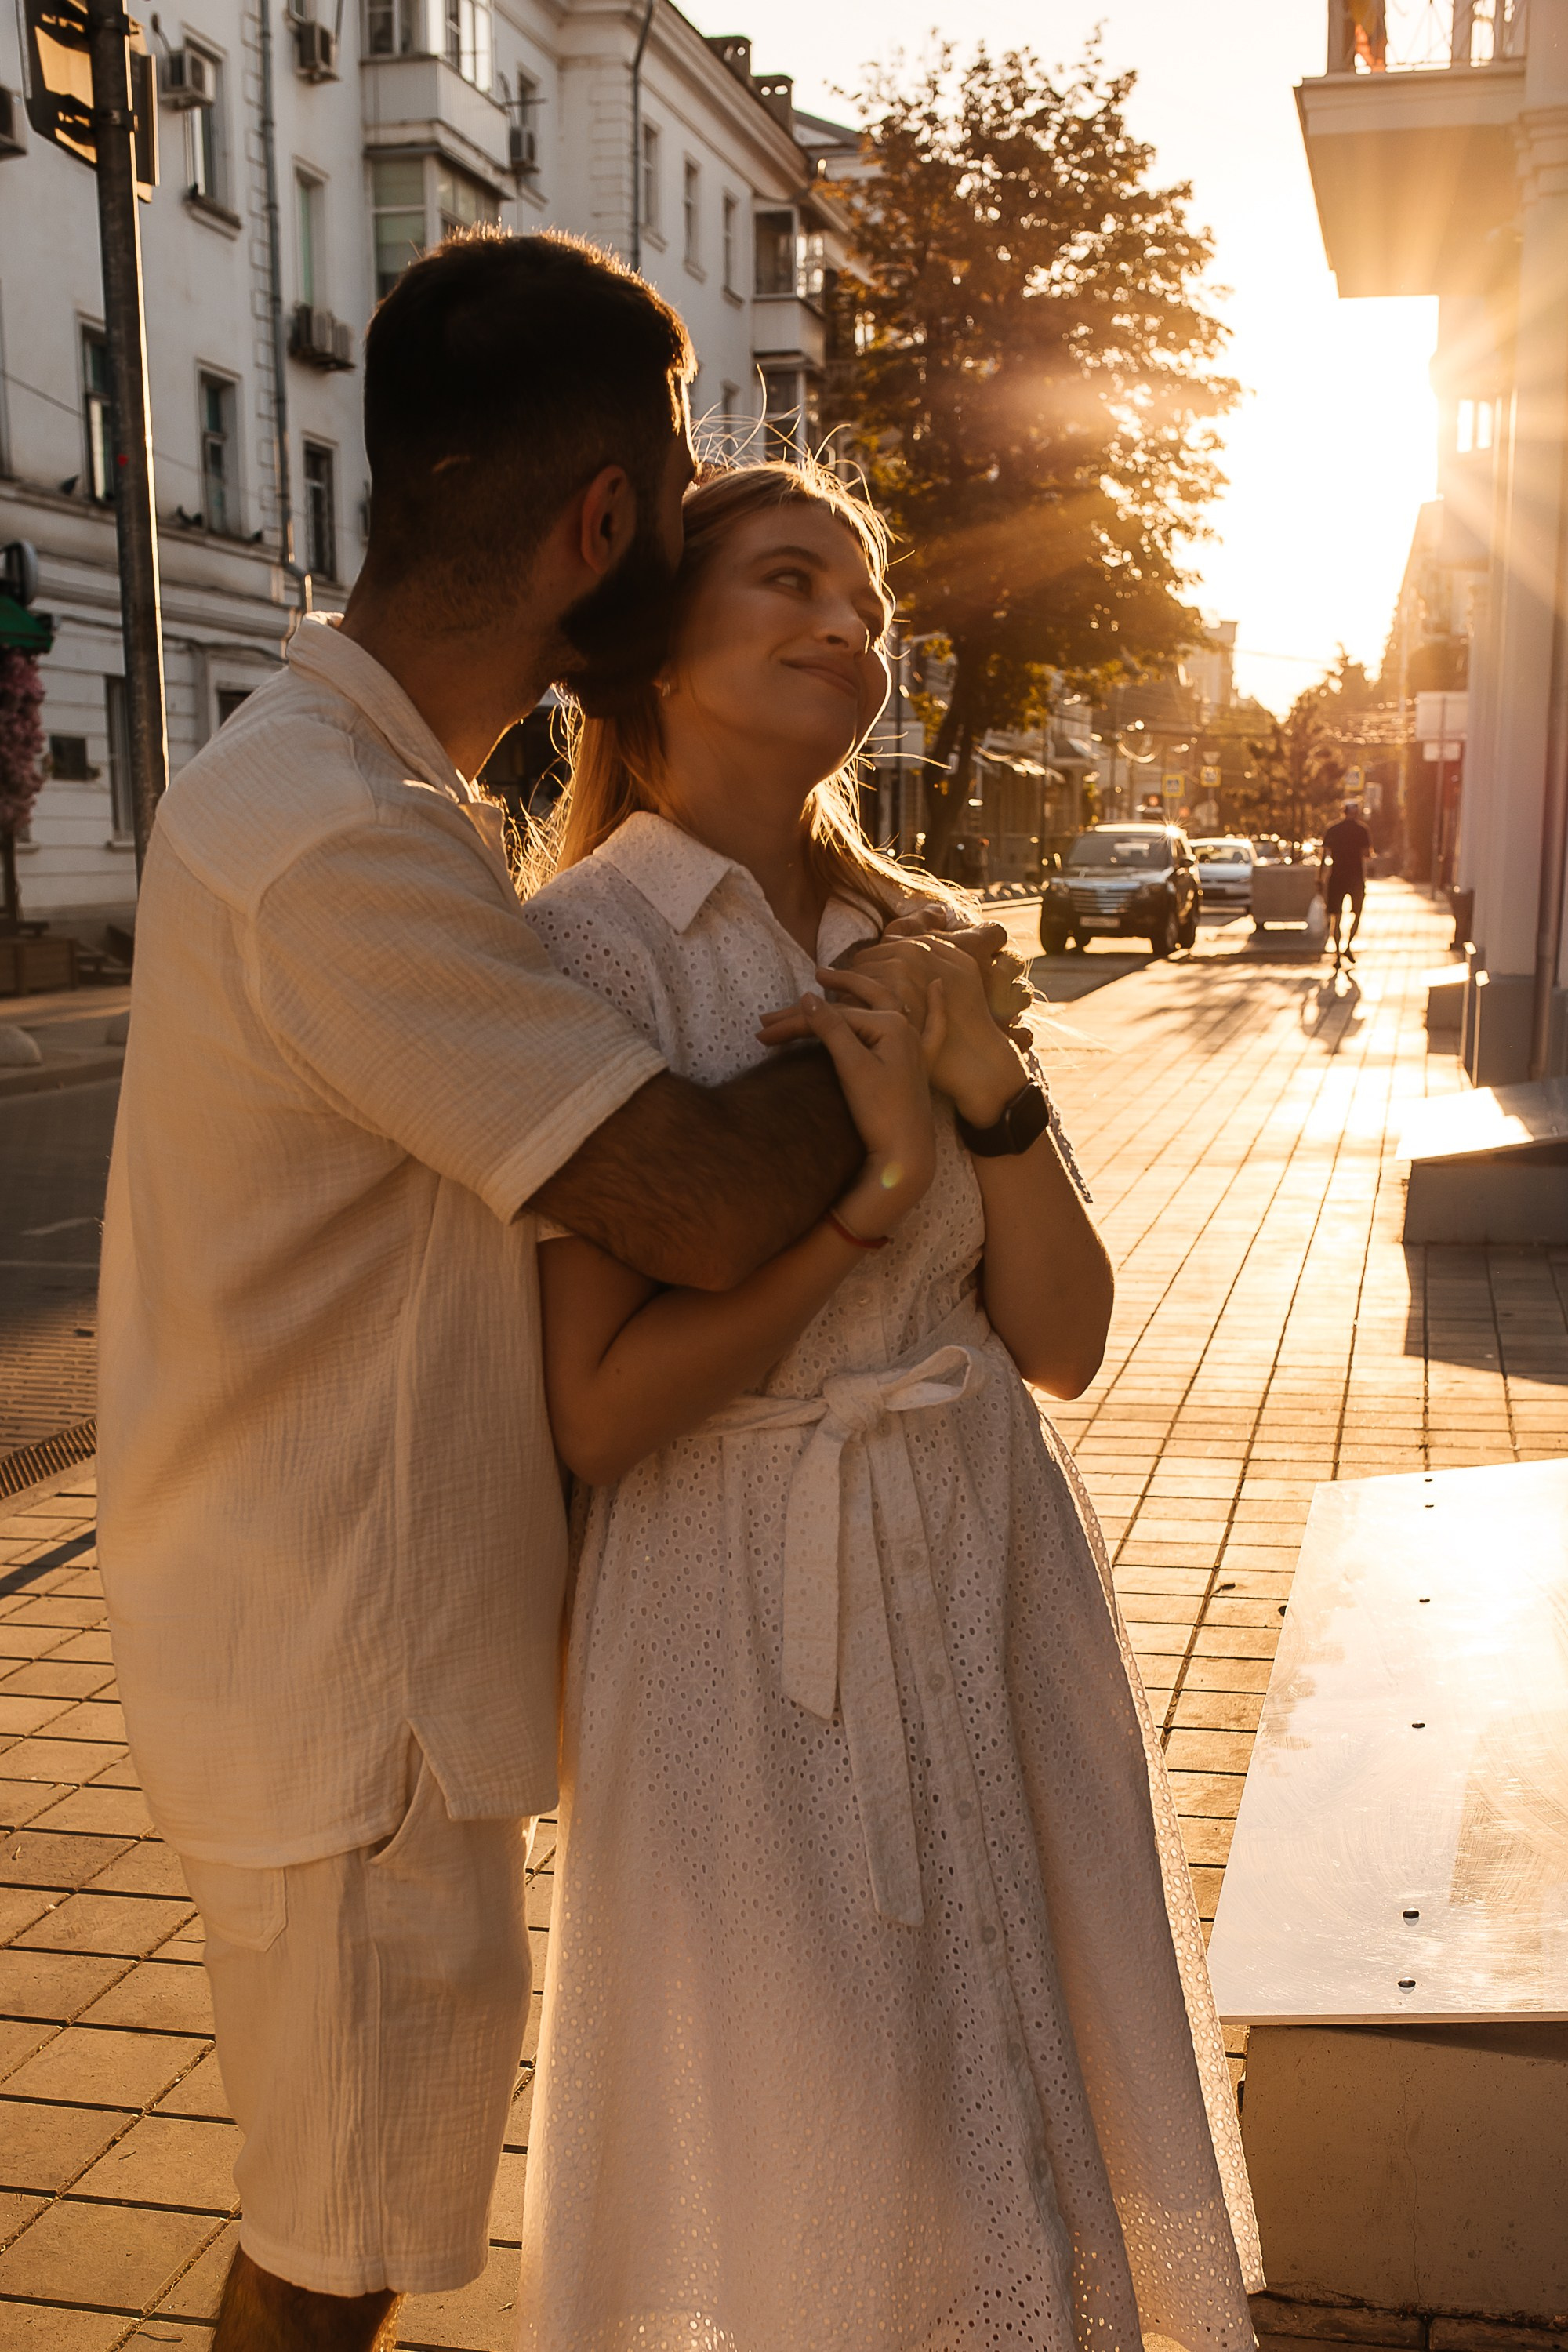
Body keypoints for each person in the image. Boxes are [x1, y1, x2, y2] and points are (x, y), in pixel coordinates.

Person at [96, 232, 1023, 2351]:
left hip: (368, 1665)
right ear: (603, 524)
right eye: (685, 482)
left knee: (344, 2234)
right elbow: (692, 1202)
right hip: (351, 1690)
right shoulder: (333, 837)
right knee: (331, 2263)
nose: (703, 523)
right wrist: (909, 1024)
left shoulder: (367, 797)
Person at [516, 459, 1263, 2350]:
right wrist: (859, 1197)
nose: (846, 626)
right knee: (813, 2132)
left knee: (1014, 2072)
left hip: (982, 1552)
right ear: (654, 651)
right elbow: (598, 1413)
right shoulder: (582, 956)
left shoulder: (922, 931)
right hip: (736, 1612)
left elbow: (1067, 1335)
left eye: (862, 597)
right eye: (787, 581)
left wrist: (981, 1089)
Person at [1319, 797, 1374, 967]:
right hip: (1356, 878)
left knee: (1336, 916)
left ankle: (1337, 954)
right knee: (1356, 914)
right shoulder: (1362, 830)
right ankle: (1348, 946)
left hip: (1336, 877)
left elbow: (1324, 855)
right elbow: (1367, 854)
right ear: (1356, 813)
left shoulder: (1333, 829)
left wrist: (1319, 877)